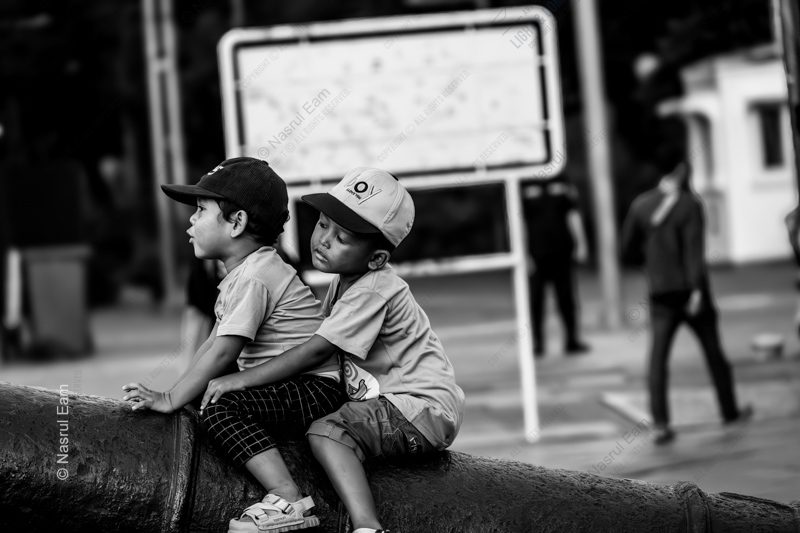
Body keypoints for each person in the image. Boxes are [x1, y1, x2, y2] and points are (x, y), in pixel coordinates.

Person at [201, 167, 465, 533]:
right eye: (323, 224)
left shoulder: (375, 289)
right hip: (398, 403)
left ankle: (367, 526)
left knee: (329, 432)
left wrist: (241, 382)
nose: (323, 239)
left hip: (418, 405)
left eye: (342, 237)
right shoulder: (345, 285)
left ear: (375, 259)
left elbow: (314, 352)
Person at [123, 157, 344, 531]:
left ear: (237, 222)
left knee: (221, 406)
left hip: (315, 387)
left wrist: (171, 399)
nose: (190, 222)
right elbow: (212, 344)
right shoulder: (246, 272)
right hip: (297, 382)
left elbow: (225, 352)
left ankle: (287, 498)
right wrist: (178, 392)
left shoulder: (256, 277)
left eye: (200, 212)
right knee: (206, 393)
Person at [621, 158, 751, 445]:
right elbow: (695, 249)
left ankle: (660, 425)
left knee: (658, 359)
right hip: (692, 294)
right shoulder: (690, 204)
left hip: (660, 293)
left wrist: (651, 265)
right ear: (682, 172)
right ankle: (729, 412)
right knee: (714, 354)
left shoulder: (641, 205)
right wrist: (695, 291)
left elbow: (627, 249)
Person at [522, 176, 590, 356]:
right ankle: (538, 344)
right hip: (536, 254)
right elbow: (519, 221)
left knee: (567, 298)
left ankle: (572, 340)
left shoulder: (562, 177)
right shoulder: (524, 181)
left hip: (562, 252)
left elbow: (572, 214)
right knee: (536, 301)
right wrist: (524, 254)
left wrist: (581, 243)